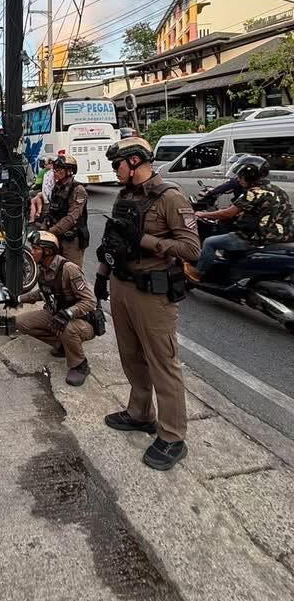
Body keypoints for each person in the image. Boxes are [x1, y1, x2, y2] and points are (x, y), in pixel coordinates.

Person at [95, 136, 199, 472]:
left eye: (118, 165)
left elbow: (191, 250)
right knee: (131, 357)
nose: (115, 171)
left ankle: (172, 436)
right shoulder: (124, 197)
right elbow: (113, 240)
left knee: (162, 363)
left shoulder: (170, 197)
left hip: (153, 294)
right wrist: (101, 274)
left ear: (136, 162)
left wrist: (144, 240)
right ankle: (140, 413)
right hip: (122, 285)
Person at [187, 155, 293, 282]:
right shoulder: (277, 190)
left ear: (249, 176)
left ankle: (198, 273)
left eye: (240, 175)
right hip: (281, 236)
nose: (238, 179)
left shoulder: (253, 193)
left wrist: (202, 214)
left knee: (210, 242)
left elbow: (228, 214)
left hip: (256, 238)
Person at [16, 231, 97, 386]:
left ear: (47, 251)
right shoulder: (42, 267)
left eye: (35, 248)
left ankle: (80, 365)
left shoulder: (69, 269)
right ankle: (63, 346)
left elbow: (90, 301)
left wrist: (68, 313)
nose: (31, 251)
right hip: (57, 314)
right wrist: (17, 298)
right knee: (21, 322)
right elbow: (43, 292)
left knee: (67, 327)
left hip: (82, 321)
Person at [43, 155, 89, 267]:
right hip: (57, 236)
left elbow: (72, 218)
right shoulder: (57, 188)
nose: (55, 172)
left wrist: (51, 231)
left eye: (59, 169)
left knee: (72, 273)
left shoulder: (78, 189)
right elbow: (51, 211)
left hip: (72, 239)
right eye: (55, 169)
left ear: (69, 171)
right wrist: (43, 229)